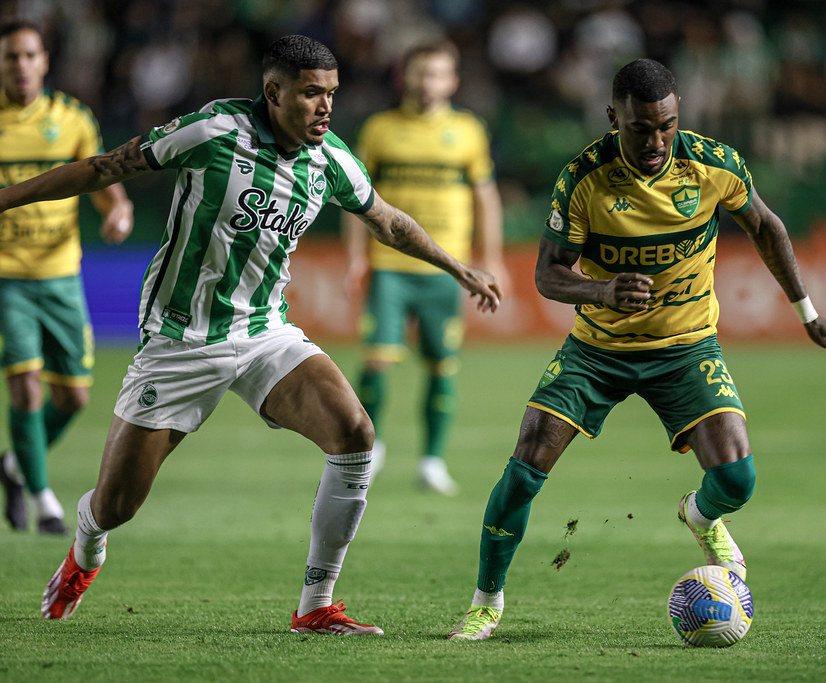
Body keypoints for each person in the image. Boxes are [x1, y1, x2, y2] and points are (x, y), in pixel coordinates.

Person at [0, 34, 500, 633]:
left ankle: (316, 605)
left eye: (332, 94)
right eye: (312, 93)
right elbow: (105, 167)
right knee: (116, 506)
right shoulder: (214, 132)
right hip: (180, 341)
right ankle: (85, 546)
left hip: (266, 334)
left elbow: (387, 220)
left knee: (355, 434)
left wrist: (458, 266)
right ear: (274, 92)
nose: (326, 107)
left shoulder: (330, 160)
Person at [447, 58, 826, 641]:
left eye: (668, 125)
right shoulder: (583, 178)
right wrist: (601, 290)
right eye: (641, 128)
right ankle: (487, 602)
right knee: (526, 462)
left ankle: (700, 514)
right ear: (614, 118)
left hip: (686, 347)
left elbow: (768, 228)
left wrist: (808, 314)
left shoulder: (713, 164)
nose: (657, 140)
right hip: (598, 349)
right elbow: (547, 274)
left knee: (738, 480)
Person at [343, 39, 505, 495]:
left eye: (436, 73)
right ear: (404, 76)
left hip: (444, 268)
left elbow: (485, 196)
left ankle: (432, 462)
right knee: (376, 360)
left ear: (452, 80)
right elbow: (355, 198)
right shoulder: (379, 129)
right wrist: (356, 256)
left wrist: (489, 259)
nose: (427, 81)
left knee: (441, 364)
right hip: (388, 263)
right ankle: (369, 451)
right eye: (419, 72)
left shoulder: (469, 131)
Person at [0, 19, 134, 536]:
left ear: (45, 62)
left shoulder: (72, 118)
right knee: (25, 387)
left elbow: (98, 176)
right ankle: (44, 501)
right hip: (7, 276)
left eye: (29, 55)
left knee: (73, 397)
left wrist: (118, 208)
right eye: (11, 57)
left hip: (60, 276)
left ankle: (13, 467)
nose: (21, 66)